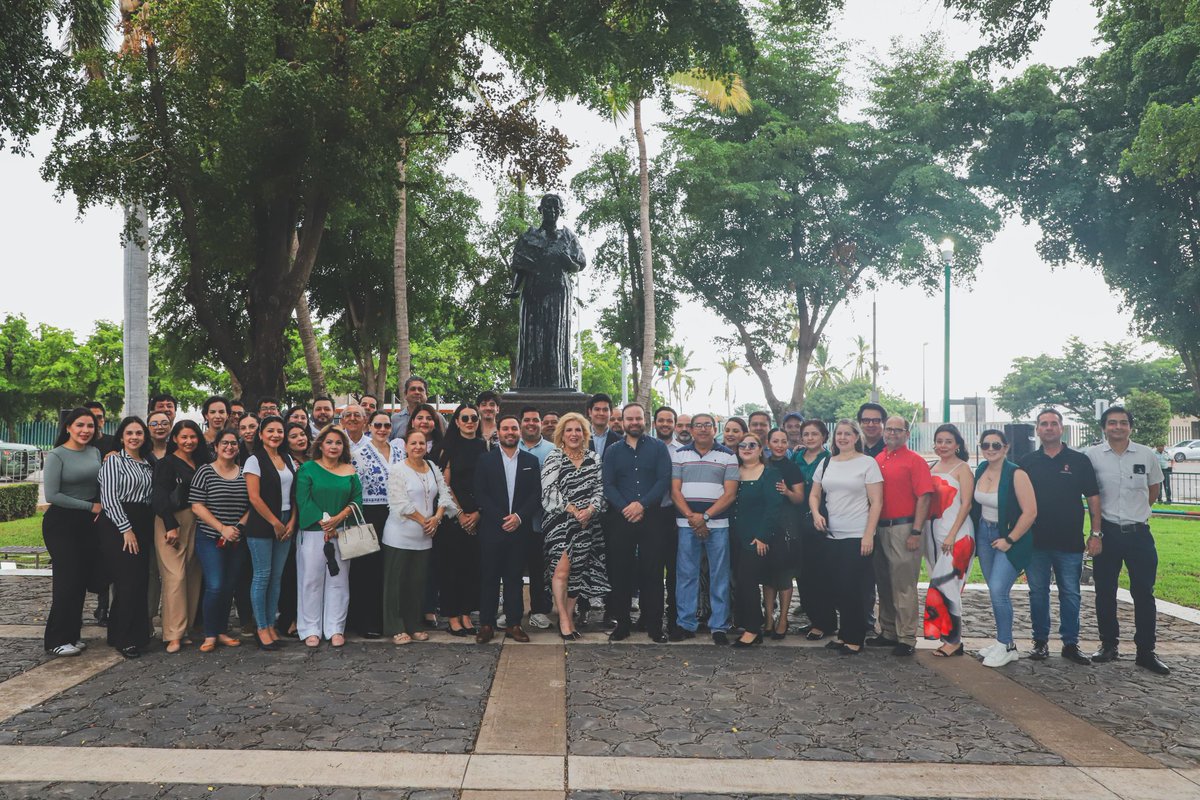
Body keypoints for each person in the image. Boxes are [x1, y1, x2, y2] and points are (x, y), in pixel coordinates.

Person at [1086, 406, 1169, 675]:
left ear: (1130, 427)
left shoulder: (1146, 454)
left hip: (1139, 535)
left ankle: (1146, 651)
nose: (1118, 427)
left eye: (1123, 423)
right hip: (1106, 534)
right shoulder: (1093, 456)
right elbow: (1091, 495)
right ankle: (1108, 645)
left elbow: (1153, 489)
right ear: (1104, 427)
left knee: (1144, 593)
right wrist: (1096, 534)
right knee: (1105, 592)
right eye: (1112, 423)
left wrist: (1137, 513)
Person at [1019, 409, 1099, 665]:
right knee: (1038, 593)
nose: (1049, 428)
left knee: (1071, 593)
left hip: (1070, 542)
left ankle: (1070, 643)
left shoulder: (1079, 460)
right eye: (1044, 424)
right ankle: (1040, 641)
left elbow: (1093, 499)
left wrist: (1095, 533)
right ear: (1037, 429)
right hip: (1035, 542)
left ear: (1062, 428)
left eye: (1054, 423)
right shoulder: (1027, 462)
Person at [809, 420, 883, 654]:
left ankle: (855, 638)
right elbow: (814, 494)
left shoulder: (867, 463)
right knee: (837, 587)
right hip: (831, 535)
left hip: (857, 534)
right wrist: (815, 514)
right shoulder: (827, 461)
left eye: (847, 434)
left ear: (856, 437)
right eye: (839, 434)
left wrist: (868, 534)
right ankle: (843, 635)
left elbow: (877, 502)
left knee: (853, 588)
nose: (842, 438)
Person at [601, 403, 673, 643]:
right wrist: (625, 507)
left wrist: (641, 505)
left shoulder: (658, 448)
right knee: (620, 572)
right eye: (629, 418)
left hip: (652, 517)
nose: (634, 422)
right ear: (622, 421)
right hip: (620, 518)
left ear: (645, 420)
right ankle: (622, 624)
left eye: (638, 418)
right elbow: (608, 484)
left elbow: (663, 480)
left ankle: (654, 625)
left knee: (652, 572)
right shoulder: (612, 451)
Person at [868, 416, 934, 657]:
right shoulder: (878, 459)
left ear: (907, 433)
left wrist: (916, 531)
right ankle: (887, 631)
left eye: (898, 429)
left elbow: (924, 497)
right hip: (880, 528)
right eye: (889, 429)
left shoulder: (915, 461)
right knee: (884, 583)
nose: (892, 433)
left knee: (903, 585)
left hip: (904, 528)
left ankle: (906, 636)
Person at [507, 192, 587, 389]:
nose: (552, 211)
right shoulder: (529, 237)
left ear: (560, 211)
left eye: (555, 208)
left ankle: (557, 383)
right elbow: (520, 267)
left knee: (554, 337)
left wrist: (567, 261)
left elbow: (580, 264)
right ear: (540, 210)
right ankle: (529, 384)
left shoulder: (567, 237)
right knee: (533, 339)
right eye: (548, 208)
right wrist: (514, 289)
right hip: (533, 292)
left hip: (558, 294)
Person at [971, 429, 1037, 668]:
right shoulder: (981, 470)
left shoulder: (1016, 474)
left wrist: (1009, 539)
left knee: (999, 589)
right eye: (985, 445)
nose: (990, 449)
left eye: (996, 445)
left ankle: (1006, 644)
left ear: (1006, 448)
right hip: (984, 534)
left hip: (1010, 536)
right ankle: (1002, 642)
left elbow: (1030, 512)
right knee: (994, 590)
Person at [670, 412, 738, 644]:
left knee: (720, 575)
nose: (702, 429)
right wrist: (693, 517)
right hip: (686, 523)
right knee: (686, 574)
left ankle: (718, 626)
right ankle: (685, 623)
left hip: (718, 523)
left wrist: (706, 516)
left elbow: (730, 494)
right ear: (691, 428)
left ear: (714, 427)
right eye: (697, 425)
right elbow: (675, 491)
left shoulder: (728, 456)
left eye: (706, 425)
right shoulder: (679, 455)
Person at [383, 428, 456, 644]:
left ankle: (413, 624)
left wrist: (437, 518)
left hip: (425, 536)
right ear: (405, 447)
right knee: (396, 582)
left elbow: (445, 493)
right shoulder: (398, 470)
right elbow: (399, 502)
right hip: (400, 535)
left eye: (421, 443)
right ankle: (395, 626)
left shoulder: (432, 467)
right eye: (413, 443)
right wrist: (425, 520)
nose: (417, 447)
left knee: (416, 583)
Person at [473, 414, 541, 643]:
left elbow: (536, 495)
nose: (510, 432)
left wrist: (519, 517)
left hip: (520, 530)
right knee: (489, 577)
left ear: (519, 431)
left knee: (514, 578)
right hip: (492, 528)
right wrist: (501, 518)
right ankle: (486, 624)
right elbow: (480, 493)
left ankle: (514, 623)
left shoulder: (531, 462)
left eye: (514, 428)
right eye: (506, 429)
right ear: (498, 432)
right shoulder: (485, 460)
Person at [42, 408, 103, 657]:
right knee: (66, 581)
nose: (85, 431)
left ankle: (72, 635)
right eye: (80, 425)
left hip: (88, 524)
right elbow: (52, 495)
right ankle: (55, 639)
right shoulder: (57, 455)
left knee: (80, 580)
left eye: (90, 426)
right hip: (61, 523)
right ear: (68, 427)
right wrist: (91, 506)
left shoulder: (95, 452)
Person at [542, 413, 608, 640]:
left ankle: (569, 614)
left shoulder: (594, 458)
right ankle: (562, 619)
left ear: (584, 434)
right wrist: (572, 510)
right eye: (569, 430)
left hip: (587, 524)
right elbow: (548, 491)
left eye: (578, 430)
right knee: (561, 571)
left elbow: (600, 489)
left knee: (578, 572)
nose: (573, 434)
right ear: (561, 434)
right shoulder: (554, 457)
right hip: (560, 522)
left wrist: (590, 510)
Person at [295, 426, 363, 648]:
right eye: (330, 442)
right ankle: (310, 629)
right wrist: (326, 524)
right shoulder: (307, 469)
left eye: (338, 443)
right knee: (311, 581)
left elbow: (357, 500)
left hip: (341, 532)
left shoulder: (350, 471)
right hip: (314, 532)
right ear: (320, 445)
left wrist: (338, 521)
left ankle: (335, 628)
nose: (334, 446)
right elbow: (303, 501)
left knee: (339, 582)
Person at [97, 416, 156, 659]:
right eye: (129, 433)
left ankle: (136, 633)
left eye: (139, 433)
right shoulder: (114, 462)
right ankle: (125, 638)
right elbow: (109, 498)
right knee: (127, 581)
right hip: (119, 524)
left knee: (140, 580)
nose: (134, 437)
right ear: (121, 436)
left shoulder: (147, 463)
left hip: (143, 523)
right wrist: (126, 528)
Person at [190, 428, 250, 653]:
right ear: (215, 447)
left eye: (234, 443)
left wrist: (238, 527)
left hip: (237, 537)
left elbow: (252, 504)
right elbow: (197, 505)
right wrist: (221, 528)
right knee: (214, 585)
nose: (229, 447)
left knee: (229, 585)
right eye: (224, 443)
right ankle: (210, 633)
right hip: (209, 536)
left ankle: (222, 630)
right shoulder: (205, 471)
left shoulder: (245, 473)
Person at [243, 415, 297, 652]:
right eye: (270, 431)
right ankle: (261, 627)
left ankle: (272, 624)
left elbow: (293, 493)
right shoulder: (254, 460)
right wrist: (275, 522)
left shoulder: (287, 459)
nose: (276, 434)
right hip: (263, 523)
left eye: (280, 431)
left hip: (287, 520)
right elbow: (254, 497)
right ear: (261, 434)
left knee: (277, 577)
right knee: (262, 575)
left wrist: (292, 521)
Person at [152, 420, 206, 654]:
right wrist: (170, 525)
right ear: (175, 439)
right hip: (170, 520)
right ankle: (172, 633)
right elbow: (159, 495)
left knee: (193, 575)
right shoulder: (166, 464)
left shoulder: (201, 462)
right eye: (184, 437)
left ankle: (185, 629)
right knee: (175, 576)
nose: (189, 441)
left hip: (197, 520)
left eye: (193, 437)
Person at [348, 410, 404, 638]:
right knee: (367, 569)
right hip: (369, 513)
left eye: (387, 426)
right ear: (369, 426)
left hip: (396, 513)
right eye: (378, 425)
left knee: (389, 569)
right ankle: (365, 621)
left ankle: (387, 618)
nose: (382, 430)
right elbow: (354, 488)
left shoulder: (399, 451)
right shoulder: (358, 453)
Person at [922, 424, 976, 657]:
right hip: (931, 534)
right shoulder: (930, 467)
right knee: (939, 584)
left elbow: (966, 503)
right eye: (939, 441)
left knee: (948, 586)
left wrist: (953, 534)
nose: (943, 445)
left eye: (948, 441)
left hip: (957, 534)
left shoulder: (963, 469)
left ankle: (954, 640)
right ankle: (947, 636)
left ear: (957, 444)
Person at [434, 404, 486, 636]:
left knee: (472, 568)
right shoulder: (447, 447)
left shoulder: (484, 446)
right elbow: (444, 484)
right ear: (456, 421)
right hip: (454, 517)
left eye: (473, 417)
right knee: (451, 569)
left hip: (478, 515)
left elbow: (489, 482)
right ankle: (453, 617)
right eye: (464, 418)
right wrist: (461, 513)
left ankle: (466, 615)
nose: (469, 421)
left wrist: (478, 513)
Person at [729, 433, 783, 648]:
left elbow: (774, 508)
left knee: (748, 581)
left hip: (756, 538)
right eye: (743, 445)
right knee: (738, 582)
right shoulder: (733, 472)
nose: (747, 448)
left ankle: (753, 629)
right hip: (733, 536)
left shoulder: (770, 474)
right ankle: (744, 622)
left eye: (752, 445)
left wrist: (763, 536)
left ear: (761, 449)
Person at [792, 420, 831, 641]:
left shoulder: (829, 460)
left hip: (820, 518)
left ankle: (824, 622)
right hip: (797, 519)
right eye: (805, 434)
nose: (809, 438)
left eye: (814, 434)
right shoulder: (795, 457)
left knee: (820, 573)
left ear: (824, 436)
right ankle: (813, 617)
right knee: (803, 573)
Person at [764, 428, 805, 639]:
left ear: (788, 444)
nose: (779, 445)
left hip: (787, 526)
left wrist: (787, 492)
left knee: (784, 575)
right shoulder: (762, 464)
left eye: (783, 441)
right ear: (768, 443)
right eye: (775, 441)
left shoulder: (792, 468)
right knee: (768, 576)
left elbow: (800, 498)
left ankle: (783, 619)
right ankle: (769, 618)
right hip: (766, 525)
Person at [518, 406, 555, 629]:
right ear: (521, 423)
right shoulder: (509, 447)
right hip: (515, 519)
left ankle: (539, 609)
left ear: (540, 423)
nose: (531, 423)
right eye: (527, 420)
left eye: (535, 420)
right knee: (513, 566)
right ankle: (512, 610)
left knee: (538, 566)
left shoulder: (552, 450)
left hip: (542, 519)